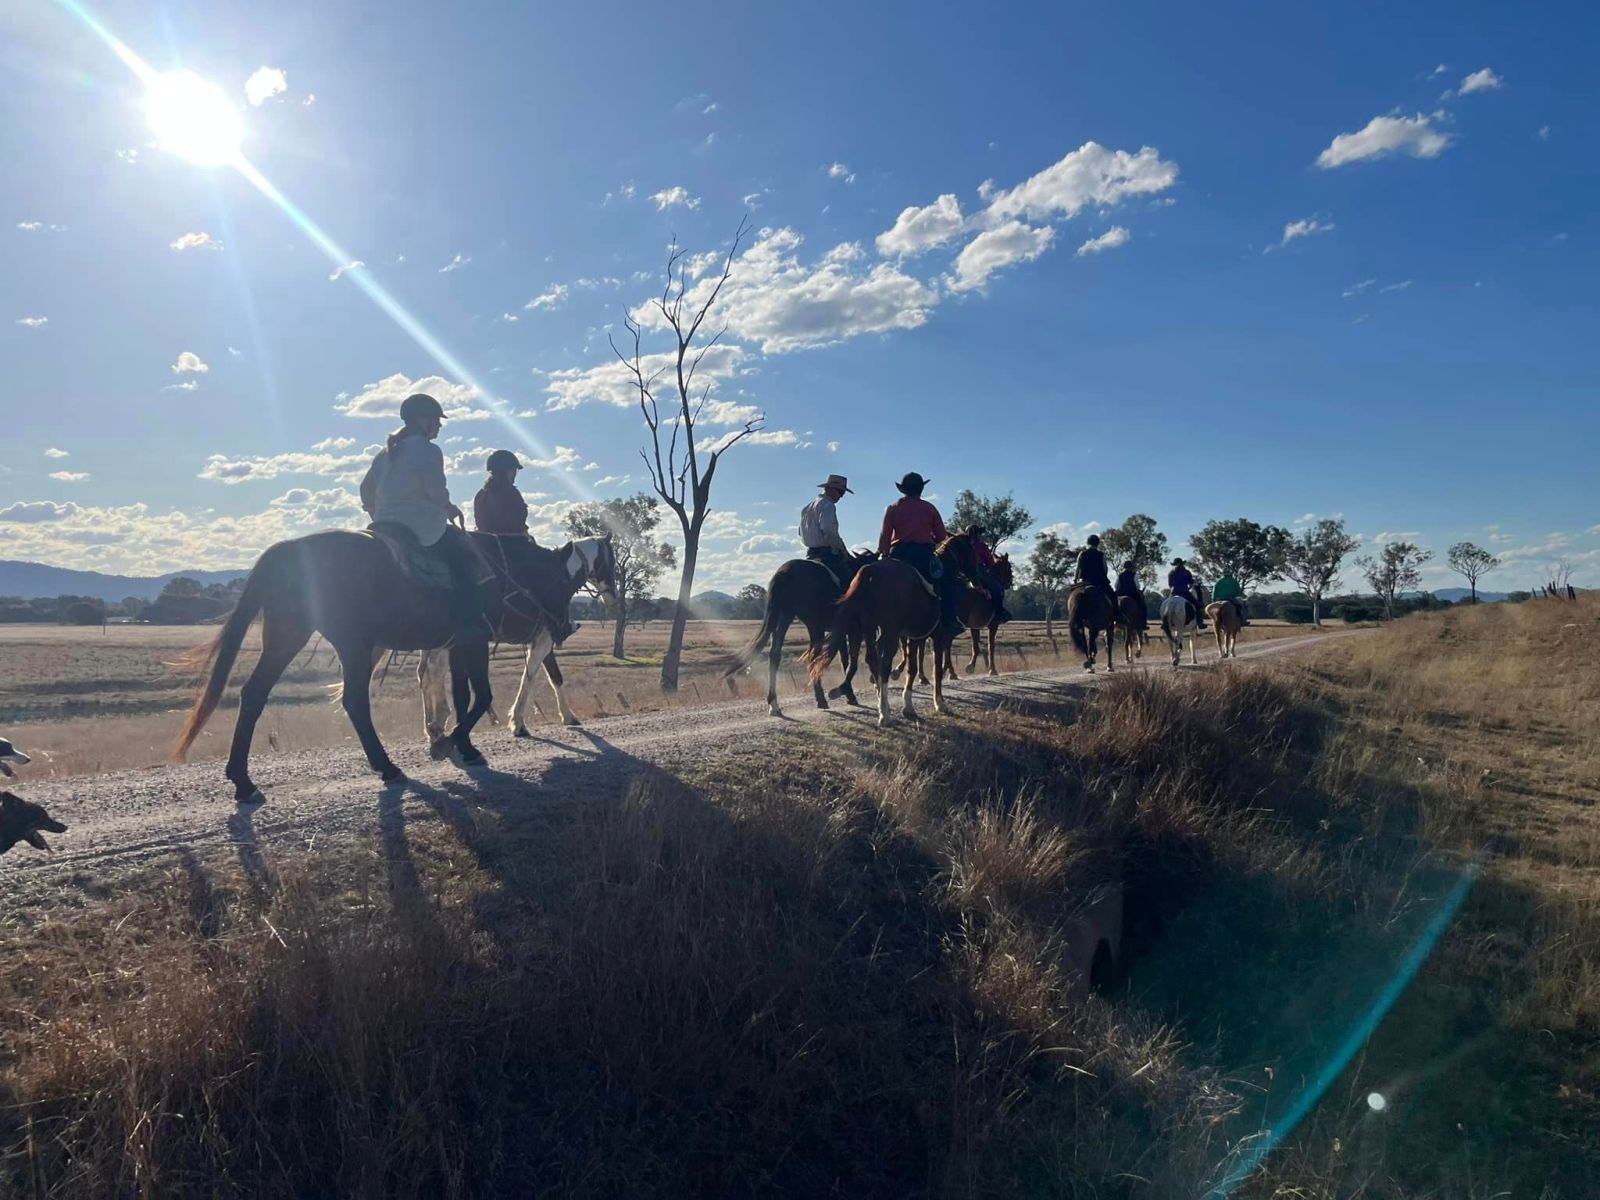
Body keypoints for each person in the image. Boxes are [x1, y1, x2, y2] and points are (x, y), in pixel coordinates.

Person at [360, 392, 495, 639]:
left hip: (383, 526)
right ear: (423, 420)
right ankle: (471, 621)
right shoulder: (430, 451)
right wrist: (450, 507)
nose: (439, 426)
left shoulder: (385, 453)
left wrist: (377, 513)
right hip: (422, 528)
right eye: (437, 420)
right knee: (468, 559)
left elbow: (365, 489)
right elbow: (434, 490)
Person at [474, 449, 577, 642]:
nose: (515, 475)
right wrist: (524, 535)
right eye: (514, 470)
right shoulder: (510, 492)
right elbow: (516, 523)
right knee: (554, 572)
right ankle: (559, 625)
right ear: (506, 471)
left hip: (486, 548)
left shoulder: (481, 495)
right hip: (513, 546)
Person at [877, 472, 961, 637]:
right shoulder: (929, 508)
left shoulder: (892, 508)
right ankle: (950, 620)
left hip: (897, 554)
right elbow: (942, 537)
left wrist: (884, 554)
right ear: (921, 489)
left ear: (903, 490)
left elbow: (884, 539)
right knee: (949, 582)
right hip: (922, 555)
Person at [800, 474, 853, 574]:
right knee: (849, 577)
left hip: (810, 554)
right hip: (826, 555)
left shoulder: (807, 508)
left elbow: (800, 532)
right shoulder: (828, 505)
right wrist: (840, 550)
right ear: (830, 489)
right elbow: (828, 530)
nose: (841, 496)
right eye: (840, 492)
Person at [967, 525, 1013, 623]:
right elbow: (990, 563)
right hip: (979, 571)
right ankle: (999, 614)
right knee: (998, 590)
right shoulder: (981, 545)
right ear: (977, 534)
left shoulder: (963, 544)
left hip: (963, 573)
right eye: (980, 534)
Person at [1073, 534, 1118, 610]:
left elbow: (1077, 569)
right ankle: (1118, 615)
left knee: (1073, 597)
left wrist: (1075, 580)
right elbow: (1105, 569)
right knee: (1113, 597)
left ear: (1088, 543)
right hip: (1099, 583)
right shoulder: (1101, 555)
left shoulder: (1082, 554)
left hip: (1085, 582)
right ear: (1097, 544)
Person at [1167, 557, 1206, 628]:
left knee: (1166, 606)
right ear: (1182, 564)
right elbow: (1190, 583)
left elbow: (1170, 584)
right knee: (1197, 605)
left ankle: (1165, 623)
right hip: (1185, 592)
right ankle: (1200, 622)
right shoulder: (1186, 572)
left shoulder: (1171, 573)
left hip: (1174, 593)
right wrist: (1188, 588)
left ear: (1175, 564)